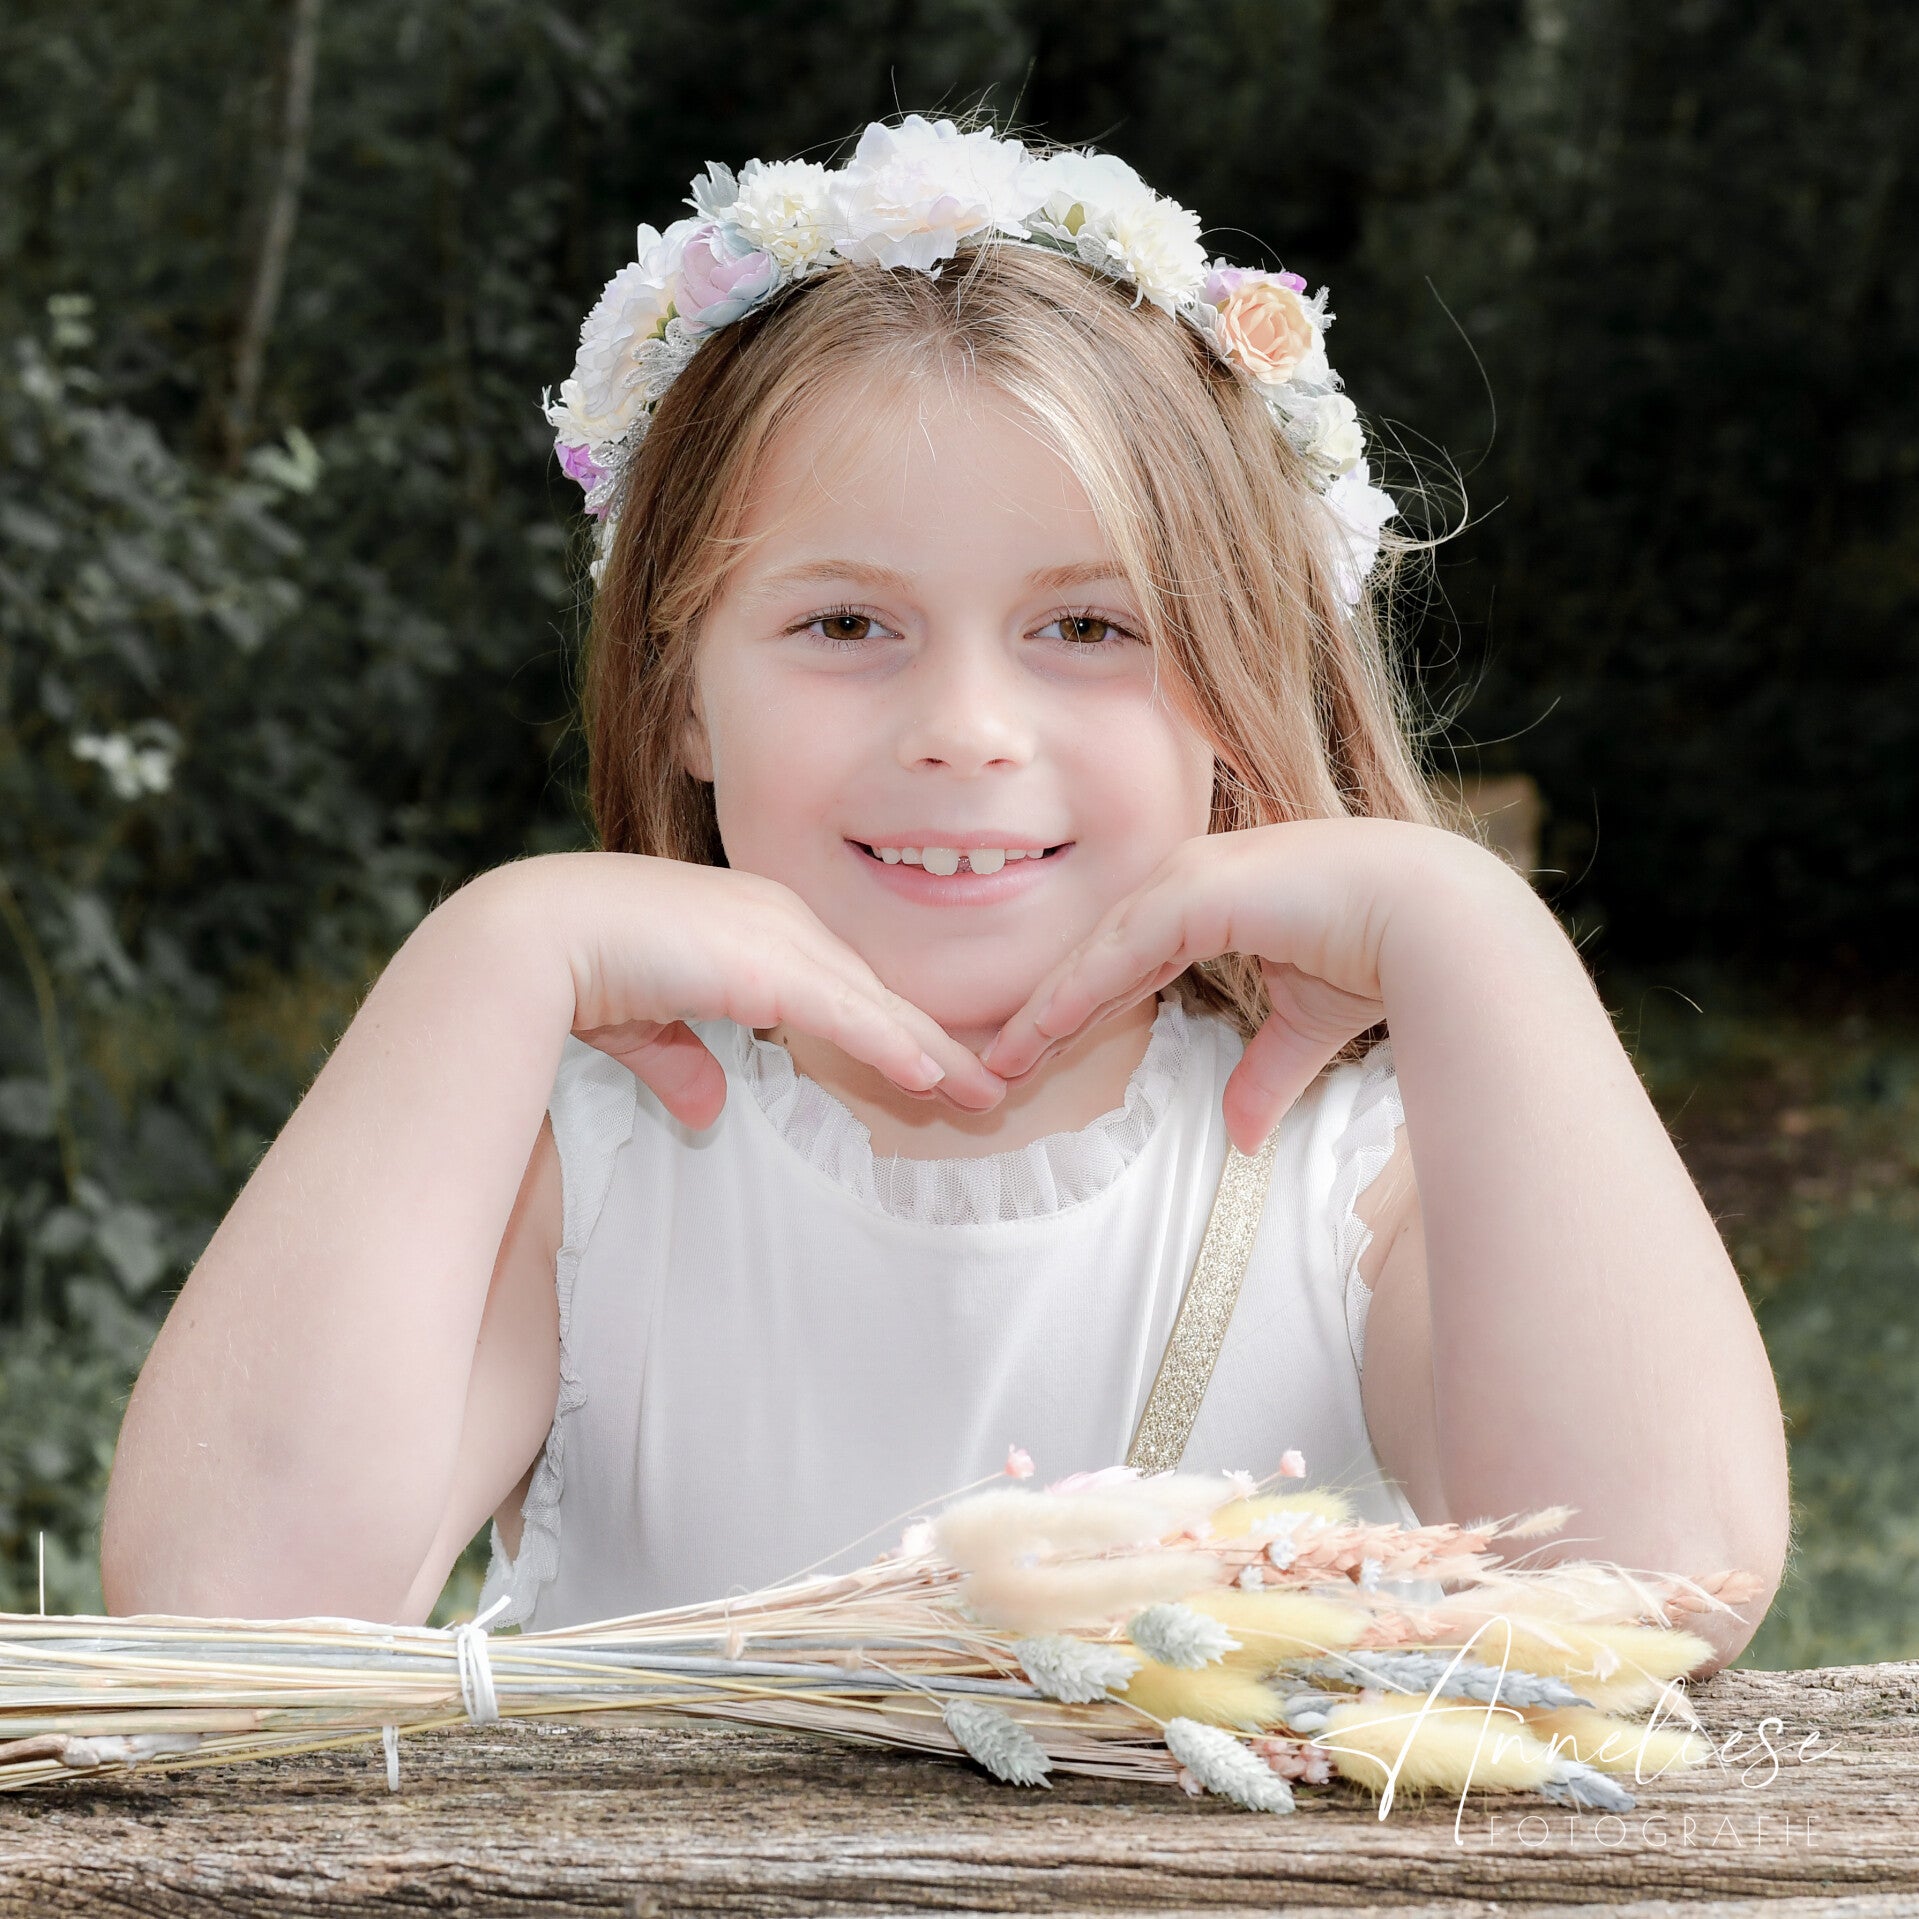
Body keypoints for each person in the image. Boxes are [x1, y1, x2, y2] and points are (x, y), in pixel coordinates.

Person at [99, 116, 1789, 1672]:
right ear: (684, 698)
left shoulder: (1364, 1191)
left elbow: (1659, 1591)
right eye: (845, 624)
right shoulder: (577, 1172)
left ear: (1239, 691)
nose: (967, 729)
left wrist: (1470, 935)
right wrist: (491, 953)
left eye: (1089, 626)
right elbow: (222, 1614)